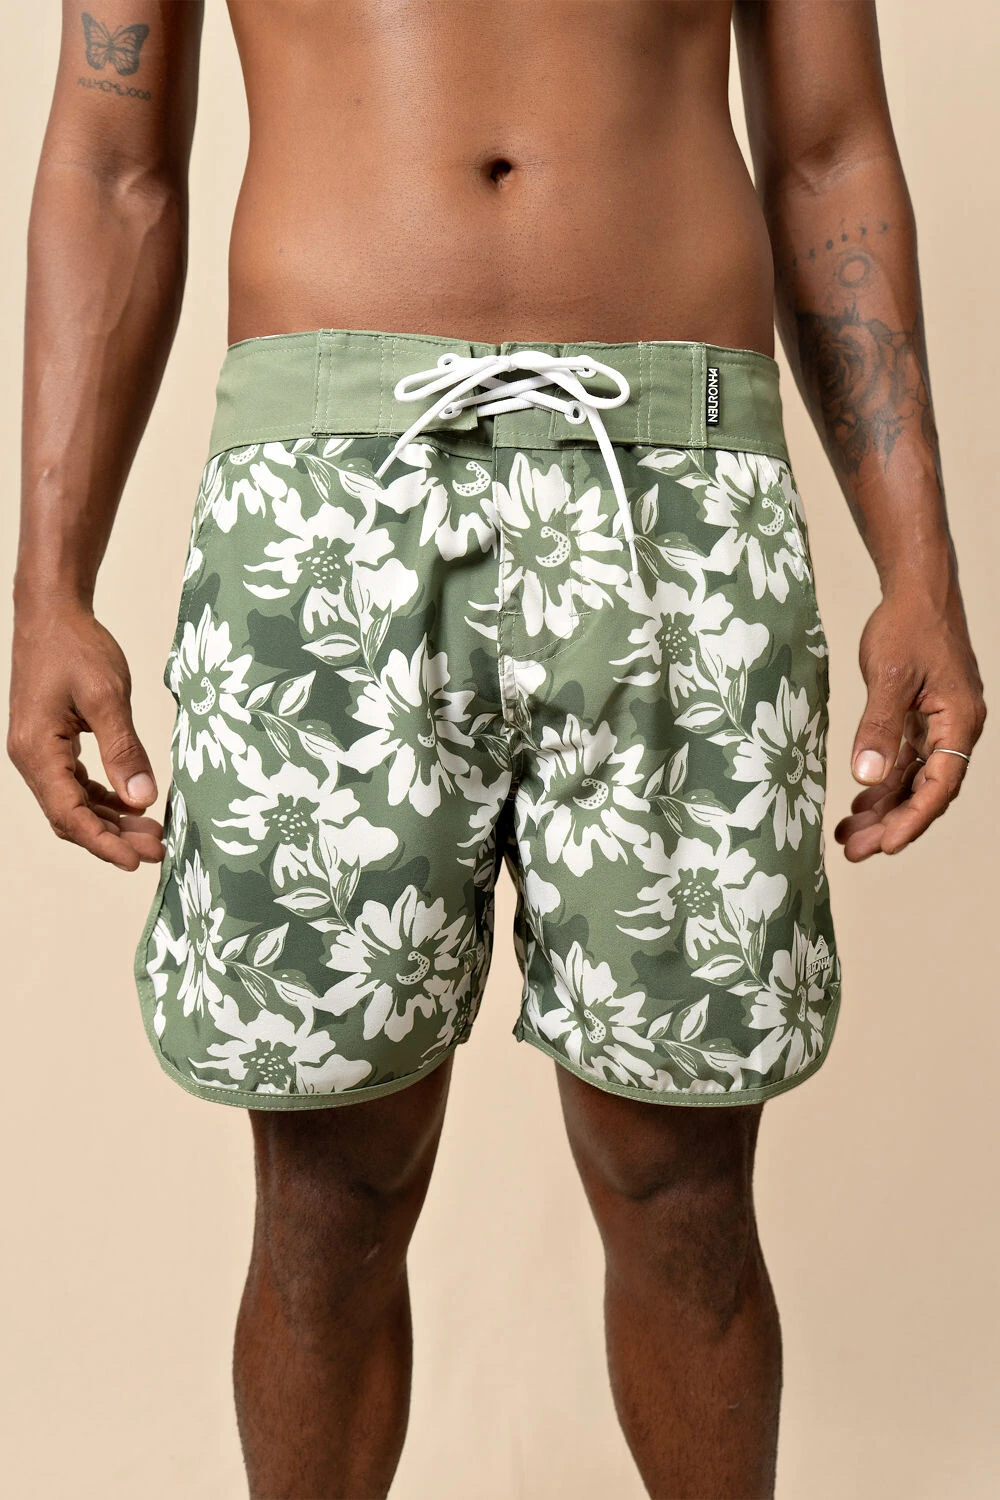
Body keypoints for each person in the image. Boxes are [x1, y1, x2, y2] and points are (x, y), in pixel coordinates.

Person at [9, 3, 986, 1497]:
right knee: (329, 1188)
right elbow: (112, 161)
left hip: (681, 497)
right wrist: (49, 584)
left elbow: (829, 151)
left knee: (683, 1185)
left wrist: (920, 565)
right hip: (327, 502)